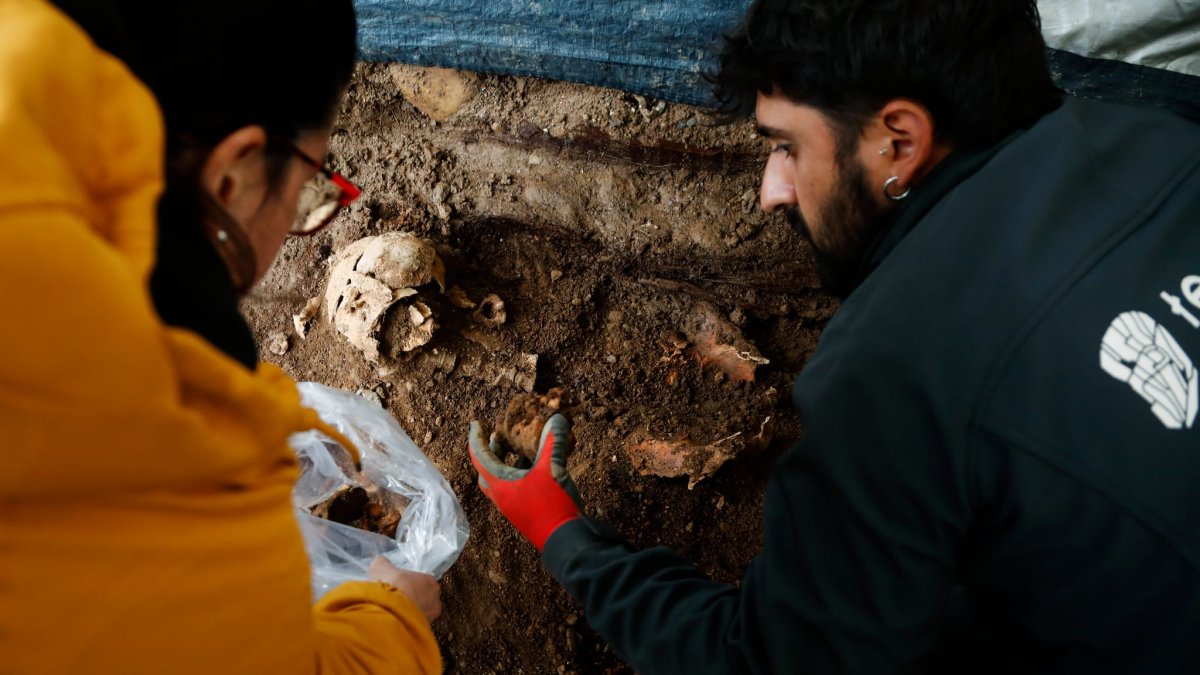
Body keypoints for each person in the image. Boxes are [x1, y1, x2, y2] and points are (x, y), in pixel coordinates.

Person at [469, 1, 1200, 672]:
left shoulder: (891, 370)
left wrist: (566, 537)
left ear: (900, 140)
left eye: (786, 146)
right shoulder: (1165, 142)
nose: (771, 189)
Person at [0, 0, 442, 672]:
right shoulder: (189, 490)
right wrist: (395, 618)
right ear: (232, 176)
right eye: (310, 188)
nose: (305, 208)